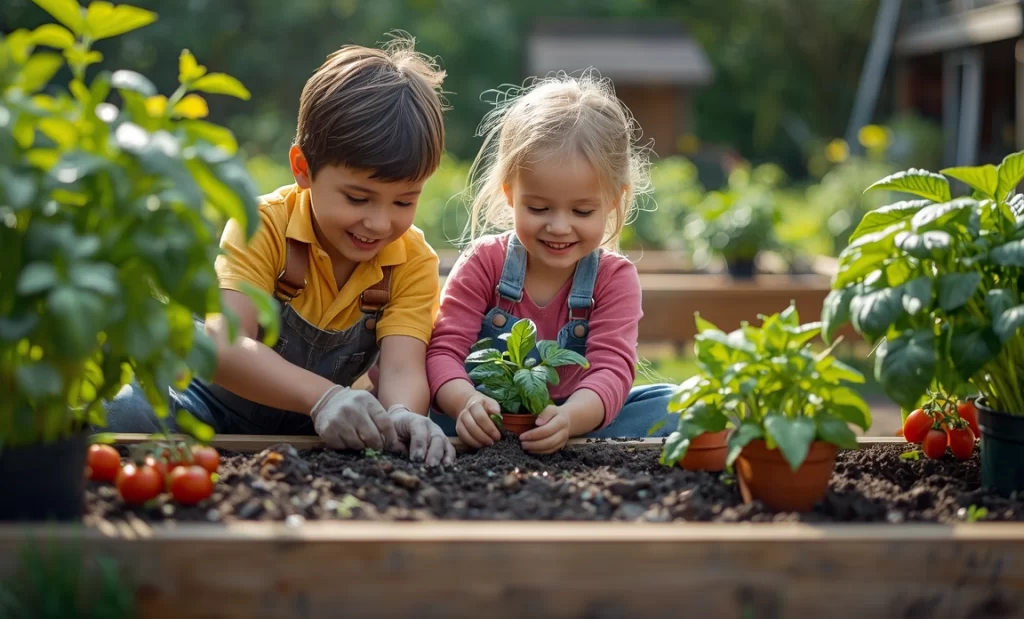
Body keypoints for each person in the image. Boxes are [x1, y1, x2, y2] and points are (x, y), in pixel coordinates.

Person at [106, 35, 455, 466]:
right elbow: (225, 345)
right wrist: (322, 396)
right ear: (303, 169)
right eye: (358, 198)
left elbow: (403, 368)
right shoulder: (264, 225)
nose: (380, 223)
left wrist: (401, 413)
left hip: (314, 428)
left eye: (404, 201)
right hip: (206, 407)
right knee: (124, 413)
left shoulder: (411, 260)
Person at [426, 72, 675, 455]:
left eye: (582, 210)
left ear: (613, 200)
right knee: (410, 408)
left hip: (579, 419)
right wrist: (465, 404)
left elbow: (612, 369)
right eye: (538, 208)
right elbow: (444, 352)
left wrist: (571, 419)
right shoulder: (484, 262)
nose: (559, 227)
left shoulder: (613, 278)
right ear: (510, 193)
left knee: (674, 405)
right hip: (485, 419)